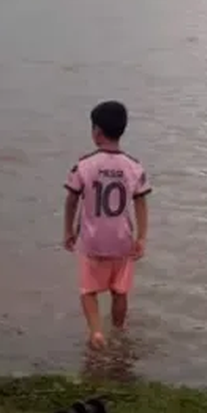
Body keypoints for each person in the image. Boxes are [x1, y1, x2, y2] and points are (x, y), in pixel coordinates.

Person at [63, 100, 151, 350]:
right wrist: (142, 237)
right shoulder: (134, 166)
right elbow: (141, 202)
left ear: (97, 132)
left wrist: (68, 230)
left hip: (92, 240)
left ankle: (96, 332)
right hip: (122, 240)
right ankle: (119, 330)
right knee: (120, 291)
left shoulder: (84, 165)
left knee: (88, 290)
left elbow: (71, 200)